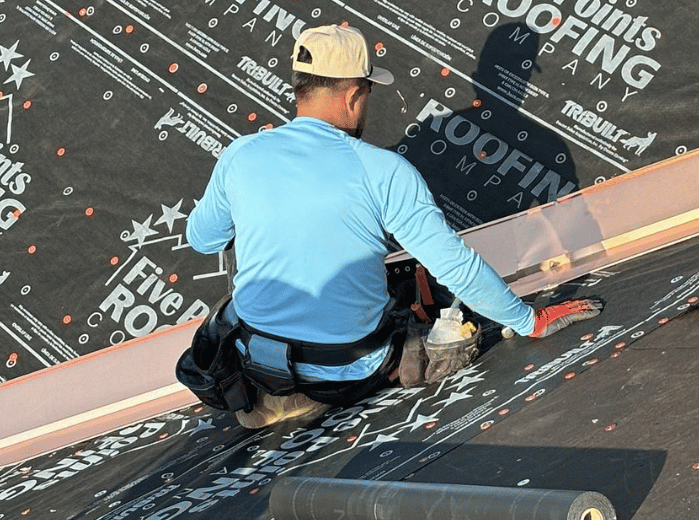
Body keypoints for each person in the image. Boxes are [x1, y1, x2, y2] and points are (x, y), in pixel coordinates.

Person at [186, 24, 601, 428]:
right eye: (367, 92)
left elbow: (203, 239)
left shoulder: (240, 155)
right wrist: (529, 320)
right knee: (427, 318)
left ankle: (278, 395)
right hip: (350, 370)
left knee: (236, 306)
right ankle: (344, 380)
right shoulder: (383, 170)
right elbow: (455, 266)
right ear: (353, 95)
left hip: (257, 360)